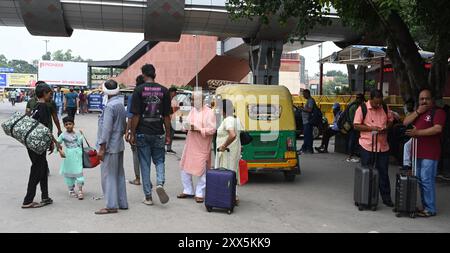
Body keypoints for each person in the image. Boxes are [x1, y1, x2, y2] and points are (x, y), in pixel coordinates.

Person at [129, 64, 171, 206]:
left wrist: (132, 133)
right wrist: (168, 135)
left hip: (142, 132)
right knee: (159, 161)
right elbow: (167, 116)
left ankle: (148, 197)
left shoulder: (138, 90)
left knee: (145, 164)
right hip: (159, 132)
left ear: (143, 74)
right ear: (154, 74)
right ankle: (160, 183)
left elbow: (135, 115)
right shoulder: (164, 91)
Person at [403, 88, 446, 217]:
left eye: (427, 98)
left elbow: (437, 129)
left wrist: (418, 133)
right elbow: (405, 122)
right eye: (421, 99)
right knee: (420, 180)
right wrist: (417, 112)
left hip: (430, 153)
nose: (424, 101)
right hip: (417, 152)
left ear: (432, 100)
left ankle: (430, 208)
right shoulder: (418, 113)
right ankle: (425, 206)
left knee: (427, 179)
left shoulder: (438, 112)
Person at [22, 82, 61, 208]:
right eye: (50, 94)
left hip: (31, 142)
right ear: (44, 94)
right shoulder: (44, 107)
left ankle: (45, 196)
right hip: (38, 144)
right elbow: (44, 129)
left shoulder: (35, 106)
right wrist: (52, 142)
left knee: (43, 169)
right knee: (37, 170)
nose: (51, 96)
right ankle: (28, 200)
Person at [353, 89, 394, 207]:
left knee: (383, 173)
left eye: (379, 103)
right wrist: (372, 129)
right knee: (367, 172)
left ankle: (386, 198)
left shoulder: (385, 107)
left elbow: (391, 120)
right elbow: (356, 125)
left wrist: (386, 127)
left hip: (382, 146)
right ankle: (365, 198)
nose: (378, 105)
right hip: (367, 146)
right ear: (370, 99)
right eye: (376, 103)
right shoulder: (362, 108)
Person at [95, 80, 128, 215]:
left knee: (108, 176)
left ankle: (111, 205)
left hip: (109, 147)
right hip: (118, 144)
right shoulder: (120, 104)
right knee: (119, 174)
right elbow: (124, 126)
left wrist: (102, 148)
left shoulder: (109, 107)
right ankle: (122, 202)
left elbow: (106, 129)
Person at [178, 91, 216, 203]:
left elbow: (212, 129)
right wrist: (184, 125)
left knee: (202, 169)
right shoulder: (192, 111)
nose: (193, 102)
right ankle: (188, 190)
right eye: (192, 99)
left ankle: (200, 193)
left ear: (202, 100)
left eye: (195, 99)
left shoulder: (210, 112)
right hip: (190, 144)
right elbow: (187, 126)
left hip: (202, 146)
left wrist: (198, 129)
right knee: (184, 167)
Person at [216, 99, 242, 204]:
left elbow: (232, 135)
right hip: (234, 151)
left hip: (227, 152)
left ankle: (227, 197)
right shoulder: (236, 119)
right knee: (232, 172)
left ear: (223, 109)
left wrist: (223, 146)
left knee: (226, 173)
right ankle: (233, 196)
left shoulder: (228, 120)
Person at [57, 116, 85, 200]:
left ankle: (80, 190)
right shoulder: (62, 135)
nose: (68, 126)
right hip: (68, 156)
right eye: (66, 124)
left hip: (77, 155)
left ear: (73, 124)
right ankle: (71, 190)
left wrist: (81, 135)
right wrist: (60, 151)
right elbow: (58, 143)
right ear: (64, 126)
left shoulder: (77, 133)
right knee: (69, 174)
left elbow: (80, 143)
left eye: (70, 124)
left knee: (79, 172)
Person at [127, 75, 146, 186]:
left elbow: (131, 116)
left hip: (137, 129)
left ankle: (138, 178)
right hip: (151, 130)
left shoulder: (134, 96)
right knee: (146, 156)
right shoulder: (152, 95)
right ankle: (146, 179)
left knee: (136, 154)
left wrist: (128, 131)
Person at [346, 93, 365, 163]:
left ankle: (351, 156)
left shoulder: (352, 105)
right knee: (353, 141)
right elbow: (353, 118)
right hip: (354, 126)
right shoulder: (355, 107)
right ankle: (351, 156)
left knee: (353, 141)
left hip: (353, 126)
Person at [300, 89, 316, 154]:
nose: (303, 95)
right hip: (306, 121)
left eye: (304, 94)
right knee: (306, 135)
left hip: (308, 121)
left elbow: (310, 110)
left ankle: (308, 149)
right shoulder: (309, 100)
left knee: (308, 136)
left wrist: (303, 109)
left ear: (307, 93)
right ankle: (305, 148)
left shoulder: (311, 100)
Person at [166, 87, 179, 154]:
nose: (176, 94)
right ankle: (166, 148)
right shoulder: (168, 99)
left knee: (170, 134)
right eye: (175, 92)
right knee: (168, 134)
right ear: (172, 92)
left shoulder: (173, 99)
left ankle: (168, 148)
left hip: (172, 119)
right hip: (169, 119)